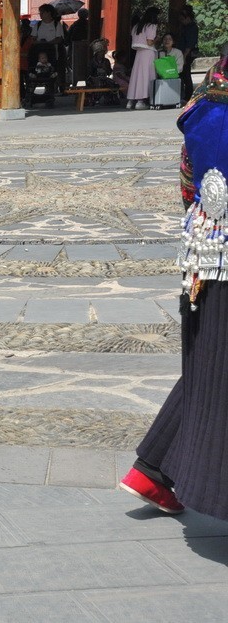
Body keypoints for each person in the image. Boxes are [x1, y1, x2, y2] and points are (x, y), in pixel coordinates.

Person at [119, 54, 228, 521]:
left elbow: (188, 181)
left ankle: (156, 469)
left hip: (206, 250)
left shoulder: (206, 100)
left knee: (212, 360)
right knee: (215, 363)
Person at [127, 7, 160, 110]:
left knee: (136, 76)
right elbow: (150, 42)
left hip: (138, 53)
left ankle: (131, 101)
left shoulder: (137, 26)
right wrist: (157, 39)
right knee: (146, 76)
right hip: (148, 53)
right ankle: (141, 101)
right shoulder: (151, 26)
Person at [179, 4, 200, 102]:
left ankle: (188, 95)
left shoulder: (192, 27)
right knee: (184, 74)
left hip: (187, 54)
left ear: (187, 17)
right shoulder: (186, 27)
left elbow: (189, 44)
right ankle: (186, 94)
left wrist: (184, 56)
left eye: (182, 19)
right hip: (183, 53)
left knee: (186, 74)